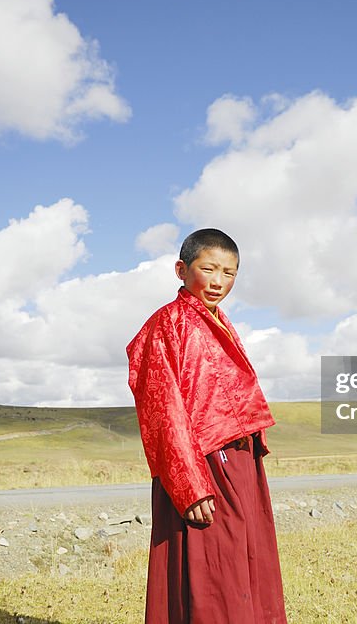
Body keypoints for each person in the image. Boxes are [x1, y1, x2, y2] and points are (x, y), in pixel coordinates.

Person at [126, 228, 287, 624]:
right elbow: (162, 406)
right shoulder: (166, 324)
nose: (218, 282)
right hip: (202, 463)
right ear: (182, 269)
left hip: (239, 459)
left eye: (229, 273)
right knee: (214, 570)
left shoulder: (220, 322)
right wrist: (189, 484)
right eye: (208, 269)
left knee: (246, 560)